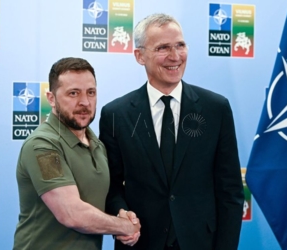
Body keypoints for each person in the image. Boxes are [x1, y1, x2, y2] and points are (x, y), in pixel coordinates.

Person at [99, 13, 244, 250]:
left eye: (180, 45)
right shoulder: (116, 113)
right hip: (141, 242)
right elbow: (111, 186)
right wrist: (121, 214)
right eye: (163, 48)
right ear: (139, 55)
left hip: (201, 242)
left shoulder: (216, 108)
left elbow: (230, 190)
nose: (175, 56)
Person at [13, 57, 140, 250]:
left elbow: (98, 199)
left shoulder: (97, 144)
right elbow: (71, 213)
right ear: (51, 98)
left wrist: (121, 213)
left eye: (91, 93)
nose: (84, 102)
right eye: (73, 93)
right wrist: (123, 226)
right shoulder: (42, 146)